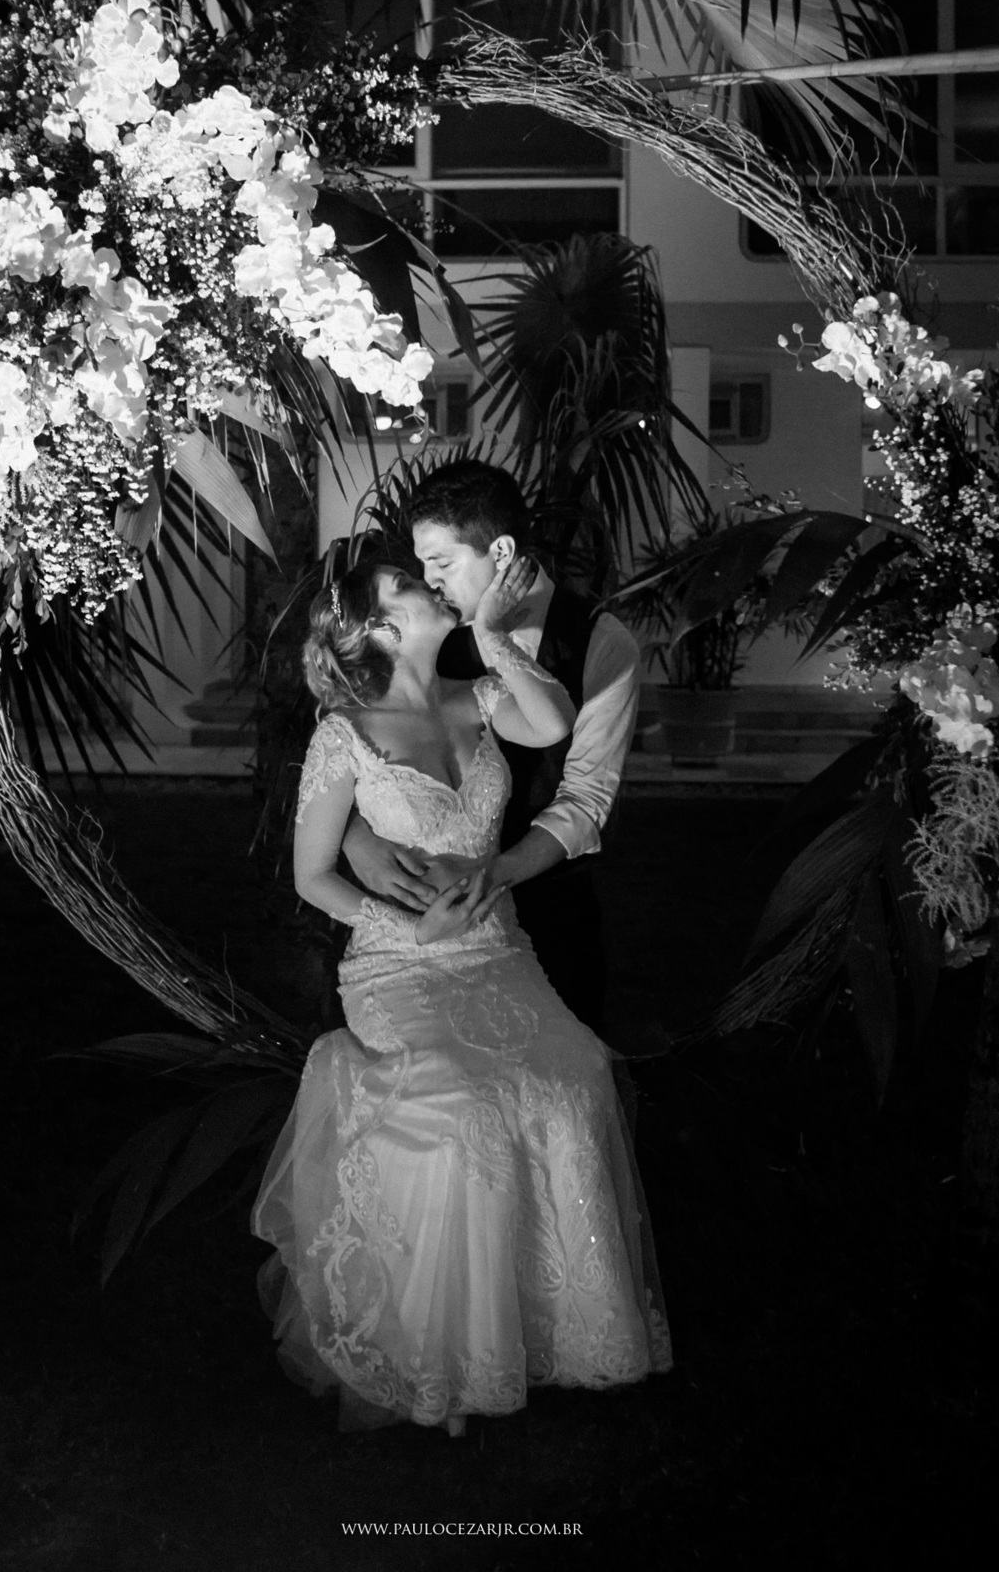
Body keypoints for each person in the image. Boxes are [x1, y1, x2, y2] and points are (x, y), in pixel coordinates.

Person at [251, 556, 671, 1434]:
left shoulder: (478, 697)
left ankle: (555, 1326)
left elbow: (552, 722)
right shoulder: (344, 734)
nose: (428, 583)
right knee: (461, 1105)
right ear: (377, 627)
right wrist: (404, 928)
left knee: (576, 1074)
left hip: (496, 951)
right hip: (396, 965)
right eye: (407, 584)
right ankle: (442, 1344)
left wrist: (491, 638)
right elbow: (312, 875)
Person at [343, 462, 640, 1033]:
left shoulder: (602, 643)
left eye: (442, 562)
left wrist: (493, 875)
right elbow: (362, 744)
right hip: (425, 919)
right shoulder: (428, 631)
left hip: (549, 908)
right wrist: (357, 837)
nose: (429, 582)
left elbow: (585, 799)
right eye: (422, 565)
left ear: (500, 552)